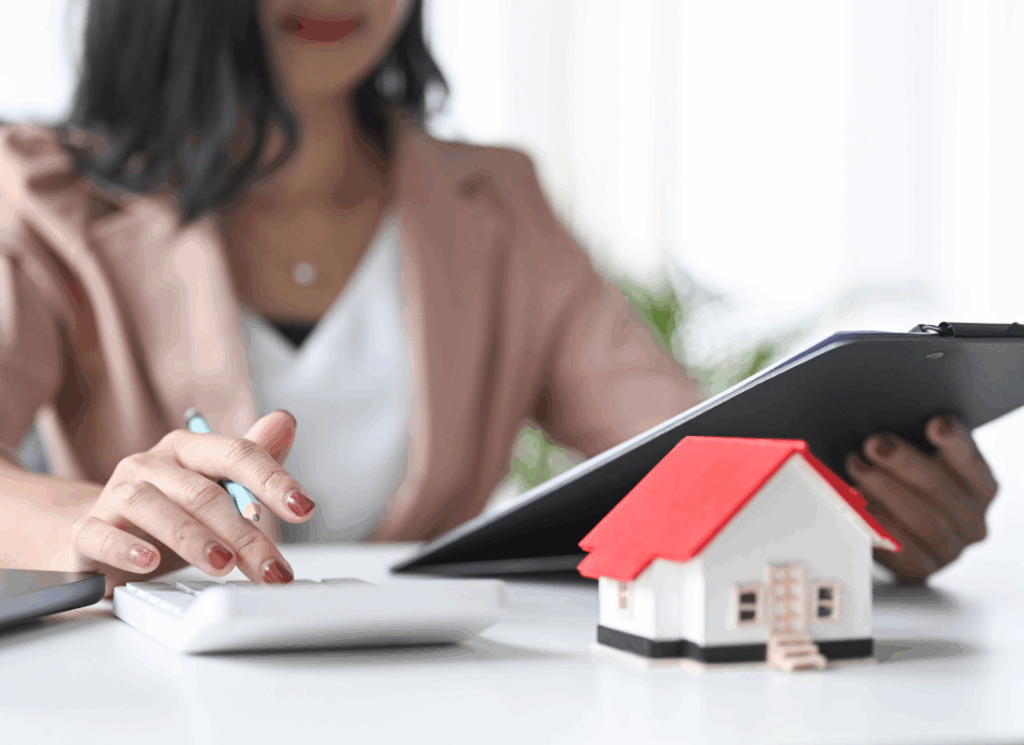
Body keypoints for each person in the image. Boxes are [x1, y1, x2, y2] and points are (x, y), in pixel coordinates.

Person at [0, 0, 996, 596]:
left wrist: (852, 516)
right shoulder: (42, 193)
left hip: (435, 686)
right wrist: (90, 518)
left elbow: (685, 448)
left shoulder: (496, 202)